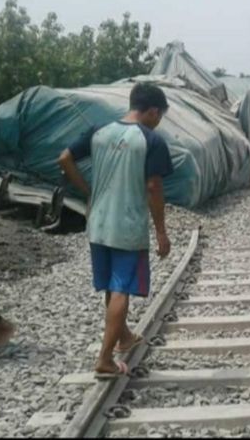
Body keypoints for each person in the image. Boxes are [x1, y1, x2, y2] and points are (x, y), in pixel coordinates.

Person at [58, 82, 173, 379]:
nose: (158, 122)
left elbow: (65, 158)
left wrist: (88, 190)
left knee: (112, 285)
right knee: (122, 288)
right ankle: (105, 359)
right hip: (127, 225)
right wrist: (161, 231)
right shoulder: (150, 140)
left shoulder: (100, 130)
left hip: (97, 222)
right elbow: (153, 187)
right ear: (152, 111)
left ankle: (124, 337)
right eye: (158, 116)